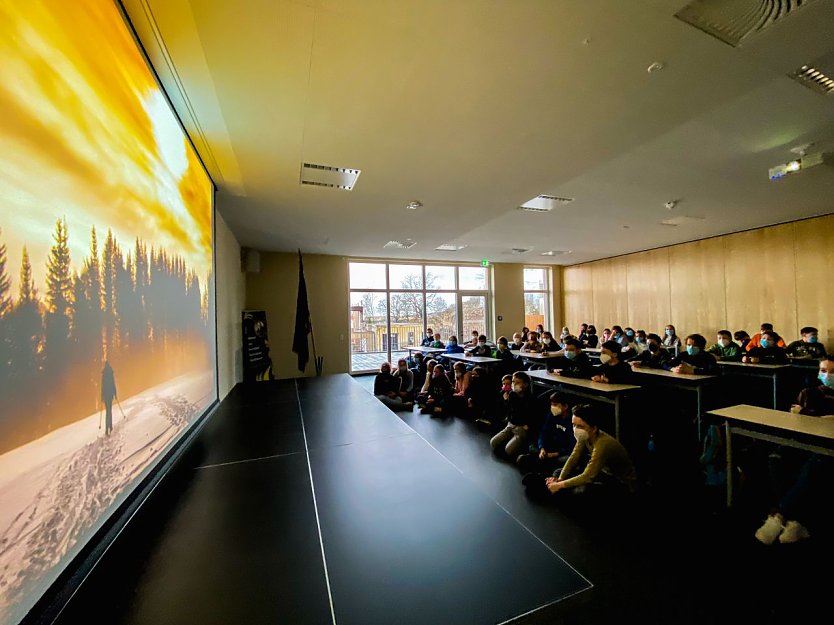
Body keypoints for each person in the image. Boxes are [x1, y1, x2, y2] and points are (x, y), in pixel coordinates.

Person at [753, 358, 834, 544]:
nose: (827, 375)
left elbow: (804, 414)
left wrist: (807, 414)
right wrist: (820, 417)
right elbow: (795, 415)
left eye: (832, 371)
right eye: (823, 370)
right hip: (804, 439)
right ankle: (796, 520)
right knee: (776, 458)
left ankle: (780, 515)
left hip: (827, 447)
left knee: (815, 465)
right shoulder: (809, 392)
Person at [522, 404, 637, 502]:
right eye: (574, 425)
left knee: (583, 490)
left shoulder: (603, 444)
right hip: (602, 473)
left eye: (580, 426)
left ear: (594, 428)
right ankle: (554, 490)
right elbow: (573, 457)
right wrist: (561, 479)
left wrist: (559, 485)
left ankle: (551, 491)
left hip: (620, 483)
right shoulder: (584, 436)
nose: (576, 429)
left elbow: (587, 476)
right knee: (558, 472)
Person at [517, 393, 576, 474]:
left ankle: (537, 465)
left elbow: (573, 445)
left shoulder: (572, 421)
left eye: (555, 405)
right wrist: (542, 448)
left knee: (566, 459)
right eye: (551, 404)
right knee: (532, 447)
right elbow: (543, 433)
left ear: (565, 406)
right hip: (551, 446)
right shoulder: (552, 415)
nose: (552, 407)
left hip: (563, 451)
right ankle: (542, 463)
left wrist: (555, 454)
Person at [490, 371, 538, 459]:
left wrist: (527, 425)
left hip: (521, 427)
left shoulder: (531, 399)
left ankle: (517, 444)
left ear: (526, 385)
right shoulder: (512, 395)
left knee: (509, 451)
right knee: (493, 443)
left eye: (518, 382)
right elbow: (510, 411)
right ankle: (509, 441)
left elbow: (530, 415)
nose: (514, 384)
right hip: (511, 424)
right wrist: (506, 401)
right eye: (513, 381)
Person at [101, 361, 117, 436]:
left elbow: (103, 386)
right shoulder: (110, 373)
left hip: (106, 395)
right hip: (110, 395)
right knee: (109, 411)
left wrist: (102, 396)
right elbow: (113, 383)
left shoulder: (104, 374)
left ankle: (107, 428)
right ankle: (110, 426)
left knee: (107, 411)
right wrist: (115, 393)